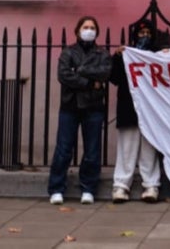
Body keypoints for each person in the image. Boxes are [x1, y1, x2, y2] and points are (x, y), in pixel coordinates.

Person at [47, 16, 112, 205]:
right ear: (77, 30)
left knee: (92, 150)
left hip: (93, 107)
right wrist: (90, 82)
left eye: (92, 27)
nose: (89, 30)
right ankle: (56, 188)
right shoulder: (68, 53)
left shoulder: (102, 53)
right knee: (63, 149)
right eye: (86, 27)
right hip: (70, 106)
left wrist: (80, 70)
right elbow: (64, 75)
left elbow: (105, 73)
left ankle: (88, 188)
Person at [110, 19, 161, 204]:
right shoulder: (125, 55)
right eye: (141, 33)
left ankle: (151, 184)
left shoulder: (158, 55)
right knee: (127, 147)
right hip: (129, 107)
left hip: (151, 110)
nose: (145, 36)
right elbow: (114, 78)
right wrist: (116, 57)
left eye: (148, 33)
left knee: (150, 147)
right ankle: (121, 185)